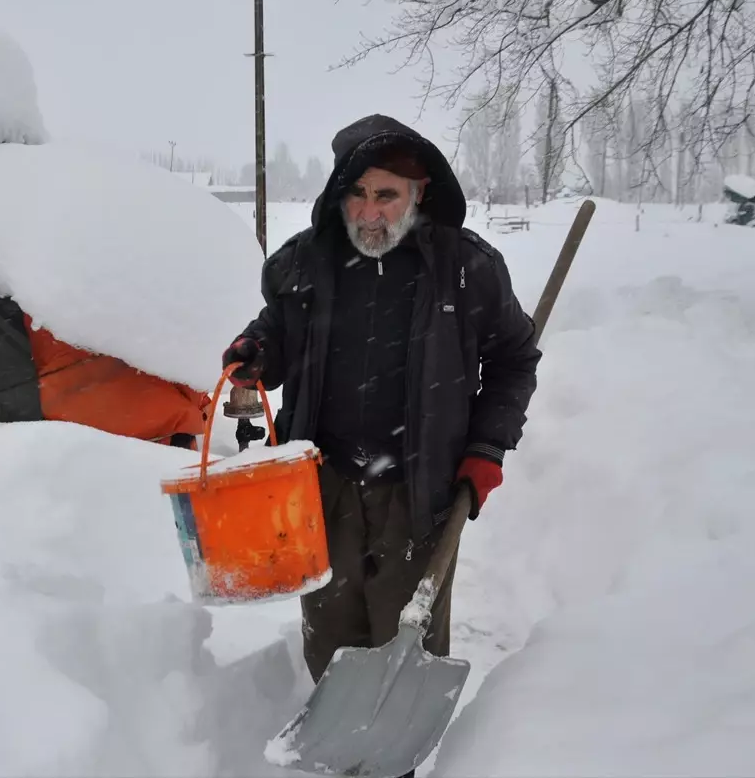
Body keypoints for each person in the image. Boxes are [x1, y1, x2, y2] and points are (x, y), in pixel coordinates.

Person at [222, 114, 541, 708]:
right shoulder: (305, 263)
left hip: (418, 492)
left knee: (407, 645)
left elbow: (514, 361)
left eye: (387, 195)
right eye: (358, 194)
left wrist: (487, 449)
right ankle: (340, 744)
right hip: (324, 485)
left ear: (418, 195)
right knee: (330, 638)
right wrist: (256, 351)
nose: (370, 213)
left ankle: (396, 759)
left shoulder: (467, 269)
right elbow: (279, 331)